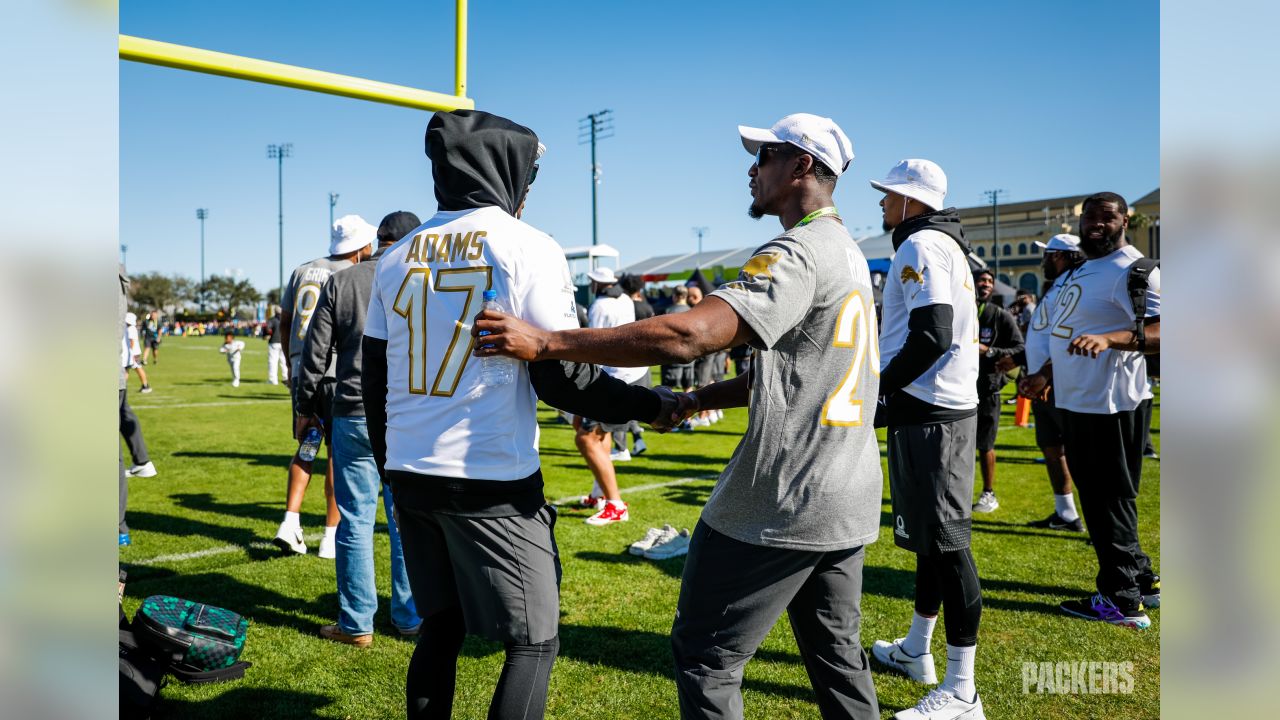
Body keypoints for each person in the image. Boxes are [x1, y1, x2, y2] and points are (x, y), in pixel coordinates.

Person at [474, 112, 882, 720]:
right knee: (837, 660)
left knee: (706, 659)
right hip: (847, 492)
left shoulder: (798, 251)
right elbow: (793, 374)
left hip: (780, 496)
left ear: (801, 166)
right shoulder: (846, 250)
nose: (752, 168)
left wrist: (549, 342)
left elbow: (689, 336)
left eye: (764, 156)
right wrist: (696, 401)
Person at [362, 109, 674, 720]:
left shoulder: (396, 256)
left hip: (410, 472)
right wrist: (648, 404)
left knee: (439, 628)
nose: (528, 189)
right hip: (490, 476)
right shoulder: (526, 246)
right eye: (526, 174)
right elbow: (561, 374)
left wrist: (389, 467)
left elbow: (375, 378)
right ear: (503, 169)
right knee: (533, 641)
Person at [869, 159, 986, 719]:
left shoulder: (922, 246)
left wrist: (878, 391)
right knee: (928, 541)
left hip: (933, 410)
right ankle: (918, 649)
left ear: (914, 201)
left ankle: (964, 692)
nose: (883, 203)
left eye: (890, 195)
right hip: (934, 408)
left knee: (947, 544)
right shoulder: (941, 244)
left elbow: (934, 333)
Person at [1019, 192, 1161, 628]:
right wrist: (1045, 373)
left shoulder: (1138, 270)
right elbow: (1069, 334)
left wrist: (1111, 340)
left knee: (1106, 500)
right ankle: (1142, 579)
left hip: (1111, 403)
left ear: (1126, 220)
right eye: (1090, 217)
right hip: (1076, 399)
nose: (1096, 224)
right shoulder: (1085, 268)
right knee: (1104, 497)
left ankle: (1120, 599)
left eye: (1107, 217)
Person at [296, 210, 423, 648]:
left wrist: (304, 407)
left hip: (352, 408)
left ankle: (356, 624)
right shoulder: (421, 277)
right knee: (405, 518)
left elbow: (315, 354)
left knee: (355, 520)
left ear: (374, 242)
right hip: (408, 413)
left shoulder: (344, 281)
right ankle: (409, 616)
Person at [272, 215, 373, 558]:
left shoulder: (302, 270)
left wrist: (290, 362)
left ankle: (290, 520)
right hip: (333, 371)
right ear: (360, 246)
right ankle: (330, 535)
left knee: (308, 445)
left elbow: (285, 323)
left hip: (303, 370)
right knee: (337, 453)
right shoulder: (348, 274)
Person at [1008, 234, 1086, 531]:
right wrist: (1018, 361)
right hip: (1043, 383)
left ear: (1063, 256)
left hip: (1062, 384)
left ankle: (1105, 525)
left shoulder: (1077, 287)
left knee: (1079, 457)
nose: (1044, 261)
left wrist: (1047, 375)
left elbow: (1073, 337)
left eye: (1048, 255)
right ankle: (1066, 513)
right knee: (1052, 451)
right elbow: (1044, 336)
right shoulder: (1056, 288)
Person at [574, 266, 643, 523]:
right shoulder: (625, 298)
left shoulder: (600, 306)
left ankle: (615, 505)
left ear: (595, 284)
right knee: (600, 436)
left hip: (615, 376)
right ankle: (600, 494)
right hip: (632, 372)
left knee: (585, 439)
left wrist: (586, 390)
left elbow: (595, 347)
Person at [971, 268, 1024, 514]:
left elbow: (1019, 348)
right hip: (959, 388)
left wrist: (990, 352)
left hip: (988, 388)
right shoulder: (960, 310)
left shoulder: (1000, 315)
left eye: (990, 281)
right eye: (981, 280)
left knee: (985, 444)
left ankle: (988, 493)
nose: (986, 284)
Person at [614, 273, 653, 457]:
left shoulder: (623, 305)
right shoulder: (646, 306)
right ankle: (638, 438)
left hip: (627, 361)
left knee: (621, 407)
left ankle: (621, 448)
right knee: (633, 406)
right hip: (644, 361)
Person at [659, 286, 697, 396]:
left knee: (667, 390)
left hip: (671, 356)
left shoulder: (667, 311)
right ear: (685, 296)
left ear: (674, 296)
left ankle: (668, 412)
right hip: (690, 356)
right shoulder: (693, 311)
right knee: (688, 388)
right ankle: (689, 412)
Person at [124, 312, 152, 393]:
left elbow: (131, 342)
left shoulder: (130, 329)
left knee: (136, 369)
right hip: (133, 353)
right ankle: (122, 387)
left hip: (133, 353)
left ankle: (145, 385)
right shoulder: (129, 328)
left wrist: (130, 354)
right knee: (127, 369)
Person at [265, 305, 288, 385]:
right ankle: (286, 377)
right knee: (284, 361)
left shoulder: (272, 320)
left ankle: (273, 379)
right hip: (284, 342)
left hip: (274, 342)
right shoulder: (286, 319)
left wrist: (267, 334)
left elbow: (268, 328)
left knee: (273, 361)